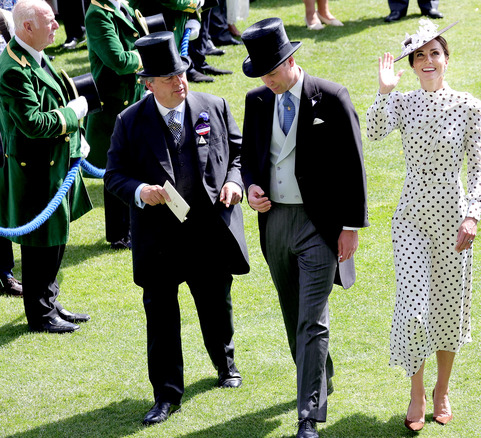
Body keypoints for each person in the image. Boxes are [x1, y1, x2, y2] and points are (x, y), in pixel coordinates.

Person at [104, 30, 248, 426]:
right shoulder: (129, 122)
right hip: (159, 241)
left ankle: (226, 364)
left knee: (217, 305)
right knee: (161, 318)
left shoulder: (212, 104)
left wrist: (235, 181)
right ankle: (167, 395)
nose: (179, 82)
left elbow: (239, 152)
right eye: (168, 78)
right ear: (149, 84)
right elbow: (114, 175)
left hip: (207, 232)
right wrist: (139, 190)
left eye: (181, 73)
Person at [240, 18, 368, 438]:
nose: (268, 80)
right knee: (293, 314)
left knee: (312, 320)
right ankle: (320, 375)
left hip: (320, 225)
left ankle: (308, 416)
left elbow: (354, 166)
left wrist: (350, 226)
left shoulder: (331, 98)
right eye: (262, 73)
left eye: (273, 71)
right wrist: (251, 186)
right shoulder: (257, 100)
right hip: (275, 223)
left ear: (292, 60)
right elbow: (250, 159)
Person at [366, 18, 481, 431]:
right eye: (420, 56)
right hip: (411, 217)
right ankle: (417, 391)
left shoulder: (470, 106)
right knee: (413, 305)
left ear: (447, 59)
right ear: (413, 65)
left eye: (435, 53)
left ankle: (442, 390)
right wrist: (384, 91)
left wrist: (472, 213)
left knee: (449, 308)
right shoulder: (402, 103)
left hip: (454, 218)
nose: (428, 60)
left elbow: (479, 168)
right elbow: (374, 131)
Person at [0, 0, 92, 333]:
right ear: (26, 27)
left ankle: (50, 303)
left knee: (56, 238)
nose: (57, 26)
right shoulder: (12, 69)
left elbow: (55, 100)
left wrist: (76, 136)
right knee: (39, 244)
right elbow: (34, 123)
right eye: (49, 21)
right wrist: (75, 115)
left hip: (55, 163)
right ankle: (40, 315)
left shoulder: (36, 56)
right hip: (35, 169)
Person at [84, 0, 146, 250]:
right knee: (116, 168)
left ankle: (132, 227)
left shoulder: (123, 5)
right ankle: (119, 235)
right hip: (112, 104)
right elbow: (118, 59)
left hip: (133, 95)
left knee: (133, 164)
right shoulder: (98, 14)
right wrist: (146, 56)